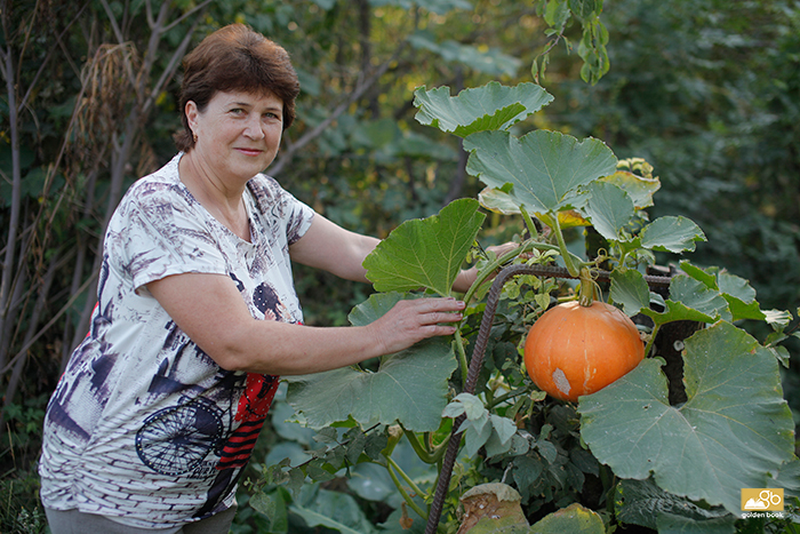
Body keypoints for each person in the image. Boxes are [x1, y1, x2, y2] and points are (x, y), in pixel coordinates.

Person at [39, 23, 492, 533]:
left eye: (270, 115)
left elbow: (353, 250)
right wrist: (378, 336)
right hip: (115, 485)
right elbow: (235, 343)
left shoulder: (262, 198)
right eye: (238, 111)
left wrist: (474, 270)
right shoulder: (159, 209)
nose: (256, 131)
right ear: (194, 115)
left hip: (207, 487)